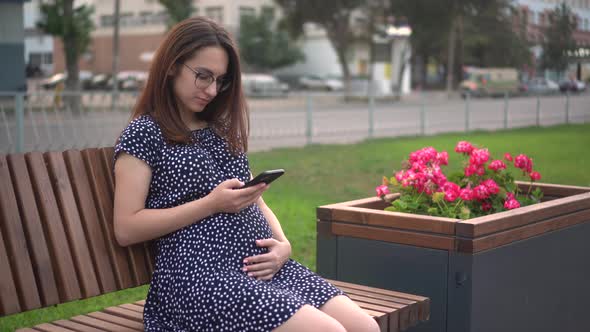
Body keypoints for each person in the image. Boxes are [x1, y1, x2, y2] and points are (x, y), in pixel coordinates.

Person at [113, 17, 379, 332]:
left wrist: (283, 246)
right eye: (203, 76)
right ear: (172, 65)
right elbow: (126, 228)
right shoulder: (145, 133)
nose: (212, 90)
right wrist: (210, 204)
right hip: (199, 277)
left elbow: (257, 203)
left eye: (220, 80)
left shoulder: (220, 132)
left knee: (366, 328)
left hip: (262, 268)